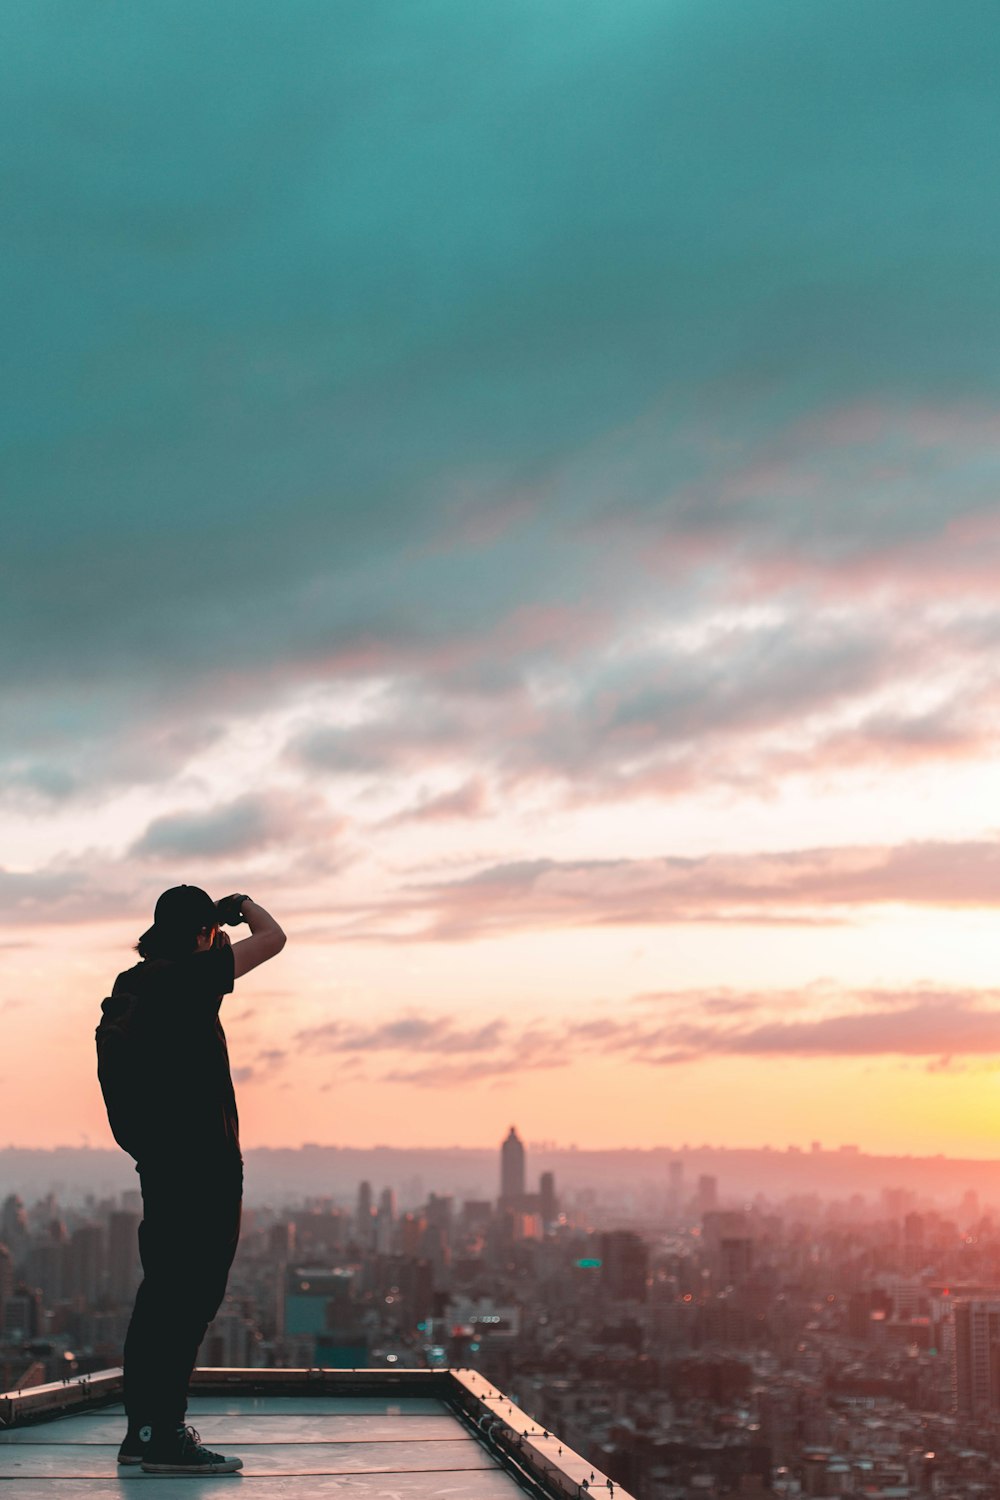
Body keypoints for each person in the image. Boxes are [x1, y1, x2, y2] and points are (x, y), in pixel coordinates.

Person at [97, 885, 285, 1475]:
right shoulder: (193, 980)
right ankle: (168, 1438)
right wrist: (245, 905)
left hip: (160, 1168)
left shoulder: (135, 984)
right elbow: (274, 939)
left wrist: (210, 938)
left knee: (159, 1298)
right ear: (203, 933)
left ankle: (143, 1432)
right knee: (191, 1301)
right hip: (204, 1170)